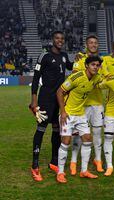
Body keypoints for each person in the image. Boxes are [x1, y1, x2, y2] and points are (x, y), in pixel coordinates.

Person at [30, 31, 73, 182]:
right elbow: (35, 79)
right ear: (52, 40)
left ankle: (54, 162)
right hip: (45, 99)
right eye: (57, 38)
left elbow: (71, 66)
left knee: (57, 131)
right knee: (41, 130)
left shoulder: (64, 56)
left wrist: (81, 60)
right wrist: (34, 100)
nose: (60, 41)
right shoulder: (44, 56)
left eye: (62, 38)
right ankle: (35, 165)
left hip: (58, 100)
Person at [56, 56, 102, 183]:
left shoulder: (97, 77)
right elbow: (59, 92)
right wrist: (63, 111)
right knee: (66, 141)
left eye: (97, 65)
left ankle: (84, 171)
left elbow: (105, 79)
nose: (95, 67)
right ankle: (60, 173)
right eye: (93, 64)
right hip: (68, 114)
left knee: (87, 139)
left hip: (81, 114)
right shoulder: (76, 77)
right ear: (86, 65)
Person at [70, 35, 104, 175]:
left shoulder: (102, 61)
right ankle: (73, 161)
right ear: (86, 44)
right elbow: (74, 77)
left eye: (96, 43)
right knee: (78, 134)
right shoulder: (80, 59)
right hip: (82, 104)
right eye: (91, 42)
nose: (93, 45)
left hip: (97, 103)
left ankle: (98, 160)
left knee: (96, 133)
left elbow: (105, 78)